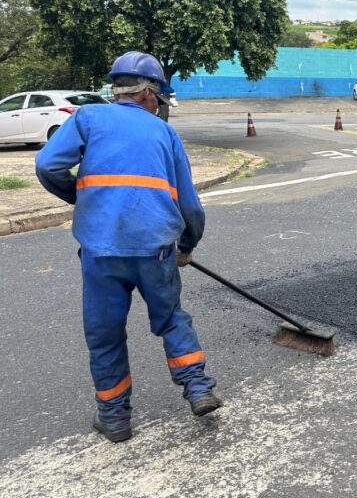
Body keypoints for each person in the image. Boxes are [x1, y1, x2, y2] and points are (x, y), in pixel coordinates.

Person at [36, 51, 221, 443]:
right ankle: (198, 388)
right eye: (159, 99)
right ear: (148, 93)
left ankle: (115, 418)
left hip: (101, 250)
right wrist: (187, 245)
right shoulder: (165, 134)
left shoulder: (88, 118)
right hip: (156, 248)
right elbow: (190, 206)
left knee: (104, 333)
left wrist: (83, 198)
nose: (158, 106)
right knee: (171, 318)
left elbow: (47, 165)